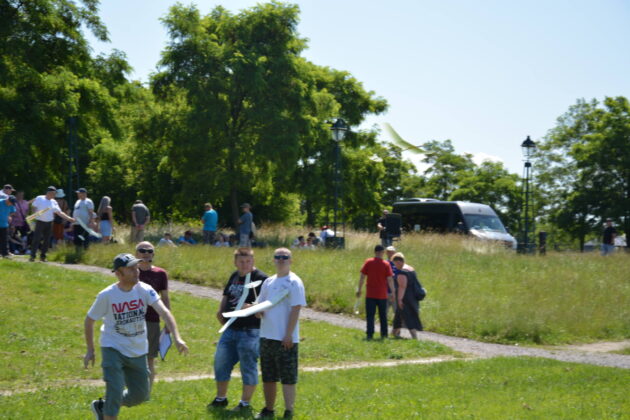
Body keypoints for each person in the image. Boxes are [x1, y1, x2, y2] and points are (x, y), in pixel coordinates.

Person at [84, 253, 189, 420]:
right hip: (113, 347)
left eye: (136, 267)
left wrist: (177, 337)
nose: (136, 271)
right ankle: (110, 410)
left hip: (138, 349)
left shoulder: (145, 289)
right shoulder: (107, 295)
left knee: (140, 395)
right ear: (118, 274)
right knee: (115, 389)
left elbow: (165, 312)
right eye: (131, 268)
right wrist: (90, 350)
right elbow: (89, 321)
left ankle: (103, 406)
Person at [209, 248, 268, 413]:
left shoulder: (262, 279)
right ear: (235, 262)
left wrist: (252, 307)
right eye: (241, 261)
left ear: (253, 261)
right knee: (221, 363)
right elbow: (227, 295)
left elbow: (268, 305)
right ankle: (221, 398)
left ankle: (244, 403)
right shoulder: (234, 276)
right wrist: (220, 311)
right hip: (230, 328)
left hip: (250, 331)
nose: (245, 265)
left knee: (248, 367)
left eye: (248, 261)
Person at [255, 248, 306, 419]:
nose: (281, 259)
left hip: (285, 338)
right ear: (273, 260)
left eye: (285, 257)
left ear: (291, 260)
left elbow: (296, 308)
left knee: (288, 376)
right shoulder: (268, 282)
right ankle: (268, 409)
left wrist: (288, 334)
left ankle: (288, 410)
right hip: (266, 336)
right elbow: (260, 306)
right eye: (278, 257)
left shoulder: (294, 282)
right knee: (268, 376)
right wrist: (255, 310)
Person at [135, 241, 170, 387]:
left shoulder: (161, 274)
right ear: (136, 253)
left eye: (150, 251)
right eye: (142, 250)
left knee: (149, 358)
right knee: (132, 356)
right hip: (132, 320)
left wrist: (168, 322)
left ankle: (147, 391)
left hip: (152, 321)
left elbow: (165, 298)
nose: (146, 253)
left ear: (153, 254)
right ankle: (133, 387)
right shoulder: (130, 271)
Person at [356, 245, 395, 340]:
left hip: (370, 294)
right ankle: (384, 335)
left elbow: (362, 277)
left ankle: (370, 334)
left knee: (370, 315)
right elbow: (390, 279)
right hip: (382, 294)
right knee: (383, 316)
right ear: (382, 252)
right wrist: (393, 292)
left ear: (375, 252)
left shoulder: (368, 262)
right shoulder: (386, 264)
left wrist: (359, 289)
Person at [30, 186, 75, 262]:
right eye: (53, 194)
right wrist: (35, 214)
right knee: (36, 239)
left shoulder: (54, 202)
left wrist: (69, 218)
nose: (54, 196)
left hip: (49, 222)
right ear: (49, 193)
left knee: (47, 240)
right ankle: (32, 256)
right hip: (40, 222)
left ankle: (43, 257)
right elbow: (34, 206)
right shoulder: (40, 198)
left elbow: (59, 212)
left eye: (55, 194)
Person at [391, 252, 423, 339]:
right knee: (398, 316)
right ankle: (394, 334)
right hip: (412, 297)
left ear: (398, 262)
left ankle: (414, 337)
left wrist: (400, 299)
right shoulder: (410, 269)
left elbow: (402, 287)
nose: (395, 266)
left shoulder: (402, 272)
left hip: (405, 298)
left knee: (408, 317)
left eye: (394, 264)